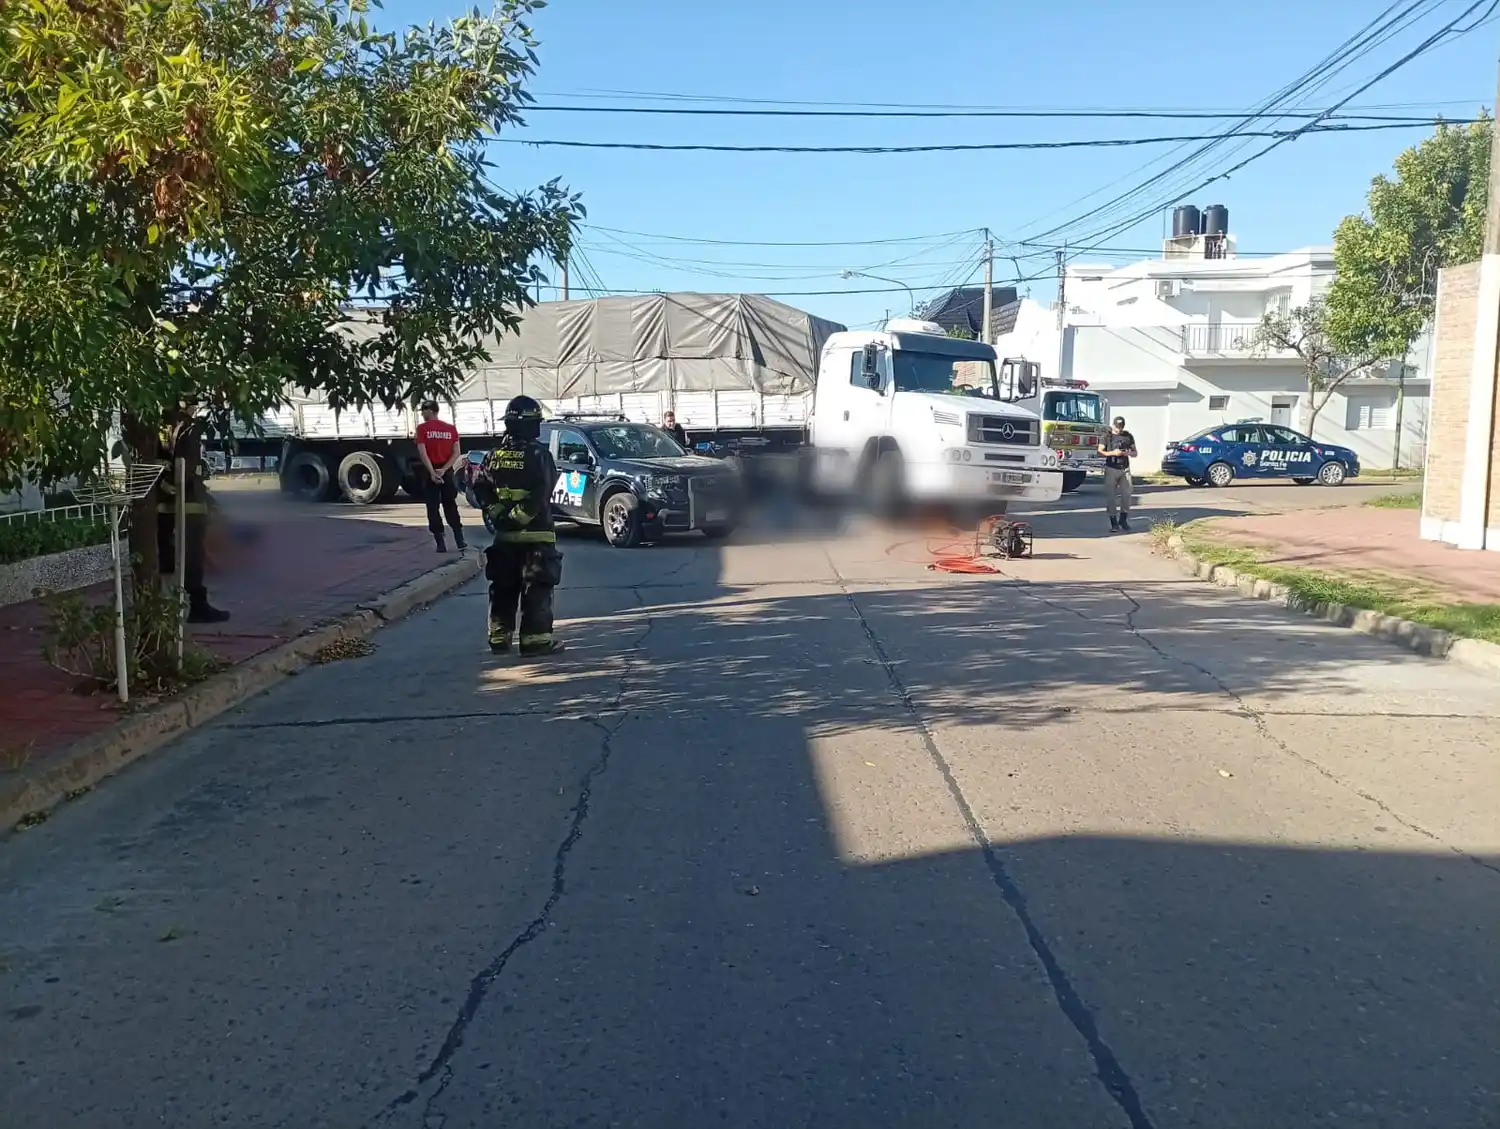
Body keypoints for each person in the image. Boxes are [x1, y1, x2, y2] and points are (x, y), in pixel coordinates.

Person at [471, 395, 565, 657]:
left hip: (504, 539)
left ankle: (499, 640)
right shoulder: (539, 455)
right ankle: (535, 642)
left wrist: (498, 513)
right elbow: (542, 491)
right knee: (536, 589)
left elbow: (480, 486)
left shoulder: (494, 456)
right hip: (536, 537)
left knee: (503, 588)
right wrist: (519, 517)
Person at [156, 416, 230, 623]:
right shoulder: (186, 427)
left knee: (171, 552)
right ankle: (195, 606)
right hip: (186, 501)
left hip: (174, 500)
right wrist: (174, 487)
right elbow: (186, 464)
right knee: (191, 554)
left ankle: (167, 604)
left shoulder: (163, 425)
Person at [415, 400, 466, 553]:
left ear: (430, 410)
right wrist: (444, 470)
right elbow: (456, 452)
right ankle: (460, 540)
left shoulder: (422, 429)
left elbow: (423, 453)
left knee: (433, 507)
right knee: (450, 504)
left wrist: (432, 472)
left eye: (423, 411)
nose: (422, 414)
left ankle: (440, 544)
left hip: (430, 472)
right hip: (447, 471)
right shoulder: (451, 429)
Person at [1098, 415, 1138, 532]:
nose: (1119, 429)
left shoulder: (1128, 436)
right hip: (1111, 467)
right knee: (1111, 496)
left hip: (1124, 468)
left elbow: (1135, 452)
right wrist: (1112, 453)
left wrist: (1127, 454)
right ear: (1113, 425)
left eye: (1121, 427)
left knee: (1127, 492)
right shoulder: (1107, 437)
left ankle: (1123, 519)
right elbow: (1100, 451)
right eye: (1117, 426)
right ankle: (1113, 522)